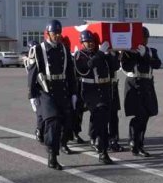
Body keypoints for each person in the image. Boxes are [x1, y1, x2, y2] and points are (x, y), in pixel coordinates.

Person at [26, 20, 77, 171]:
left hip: (62, 90)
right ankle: (52, 156)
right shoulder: (38, 49)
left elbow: (70, 73)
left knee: (65, 122)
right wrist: (32, 95)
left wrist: (73, 92)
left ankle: (53, 141)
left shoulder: (64, 49)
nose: (57, 36)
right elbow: (32, 73)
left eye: (59, 33)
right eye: (55, 34)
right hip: (46, 91)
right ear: (47, 34)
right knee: (53, 122)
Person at [74, 30, 115, 164]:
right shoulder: (80, 55)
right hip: (90, 91)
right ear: (82, 42)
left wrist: (112, 54)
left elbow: (115, 67)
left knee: (103, 119)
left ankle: (95, 138)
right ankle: (103, 152)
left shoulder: (101, 53)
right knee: (101, 119)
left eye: (92, 41)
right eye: (87, 42)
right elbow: (86, 68)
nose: (90, 44)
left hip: (105, 89)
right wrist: (101, 53)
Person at [120, 26, 161, 157]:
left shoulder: (151, 51)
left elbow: (157, 64)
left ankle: (139, 143)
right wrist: (136, 54)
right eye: (142, 37)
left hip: (148, 84)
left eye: (146, 38)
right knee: (139, 115)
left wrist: (145, 55)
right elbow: (126, 66)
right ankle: (134, 141)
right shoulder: (129, 51)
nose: (144, 40)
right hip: (135, 84)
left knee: (146, 115)